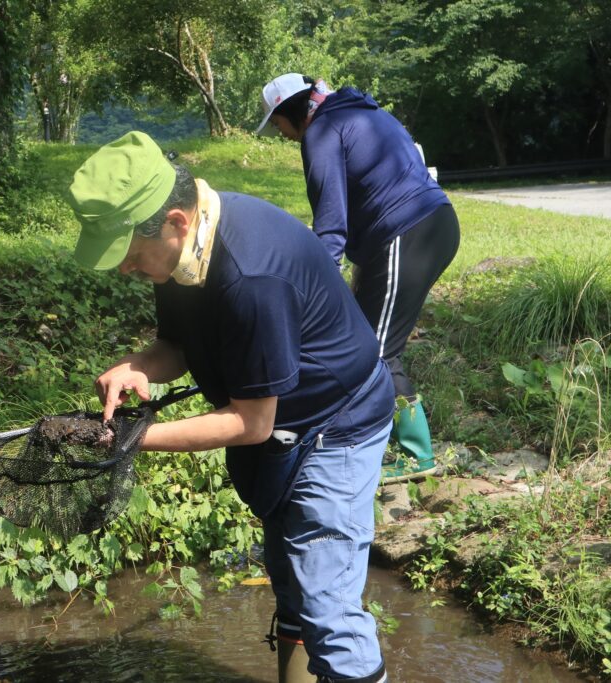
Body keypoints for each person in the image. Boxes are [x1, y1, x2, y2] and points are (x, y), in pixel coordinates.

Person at [65, 131, 395, 683]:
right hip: (282, 423)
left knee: (329, 606)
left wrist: (133, 439)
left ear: (174, 220)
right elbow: (178, 344)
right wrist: (140, 365)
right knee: (292, 577)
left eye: (129, 255)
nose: (125, 270)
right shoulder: (183, 250)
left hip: (336, 424)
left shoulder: (251, 276)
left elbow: (250, 421)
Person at [255, 73, 461, 484]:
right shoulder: (360, 111)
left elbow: (331, 226)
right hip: (417, 230)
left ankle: (416, 455)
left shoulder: (322, 132)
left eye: (276, 124)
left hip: (409, 233)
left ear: (288, 111)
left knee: (374, 353)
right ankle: (359, 440)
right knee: (360, 344)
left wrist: (312, 292)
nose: (280, 135)